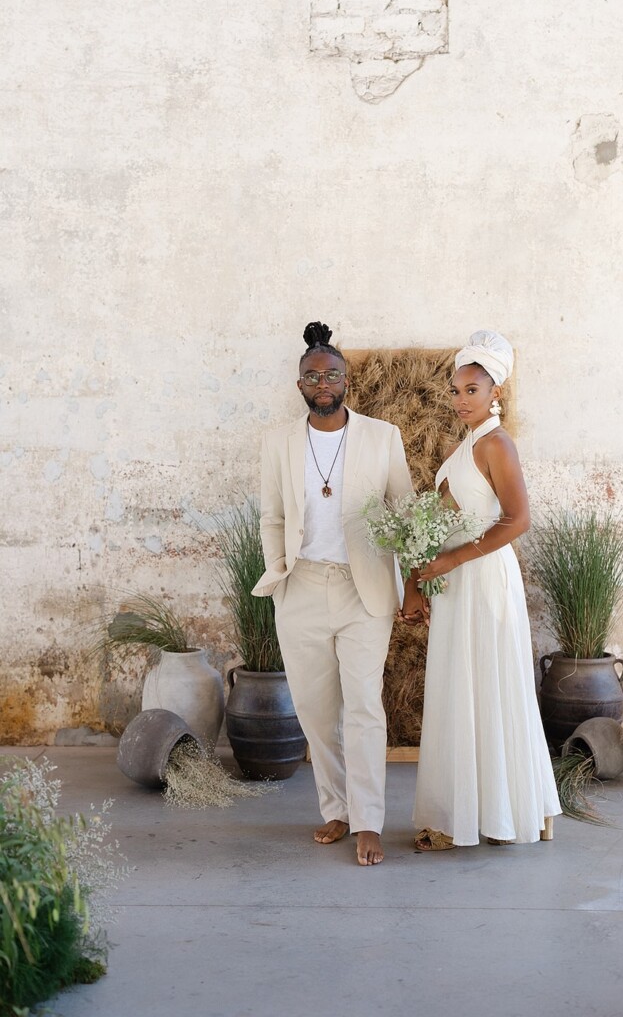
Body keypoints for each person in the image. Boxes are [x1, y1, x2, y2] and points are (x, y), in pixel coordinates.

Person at [252, 321, 417, 866]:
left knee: (365, 707)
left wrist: (415, 579)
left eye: (332, 374)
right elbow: (272, 515)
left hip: (362, 588)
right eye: (312, 375)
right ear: (300, 384)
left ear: (348, 380)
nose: (323, 382)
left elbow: (406, 513)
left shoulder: (381, 436)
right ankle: (336, 809)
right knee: (317, 712)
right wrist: (278, 569)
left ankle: (368, 820)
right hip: (300, 587)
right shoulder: (277, 443)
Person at [410, 329, 561, 850]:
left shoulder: (496, 443)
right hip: (456, 582)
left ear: (494, 391)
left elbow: (517, 520)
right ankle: (464, 811)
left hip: (485, 578)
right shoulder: (465, 445)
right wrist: (430, 575)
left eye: (471, 390)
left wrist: (451, 558)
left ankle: (503, 811)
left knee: (491, 684)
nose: (459, 400)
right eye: (454, 391)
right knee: (459, 687)